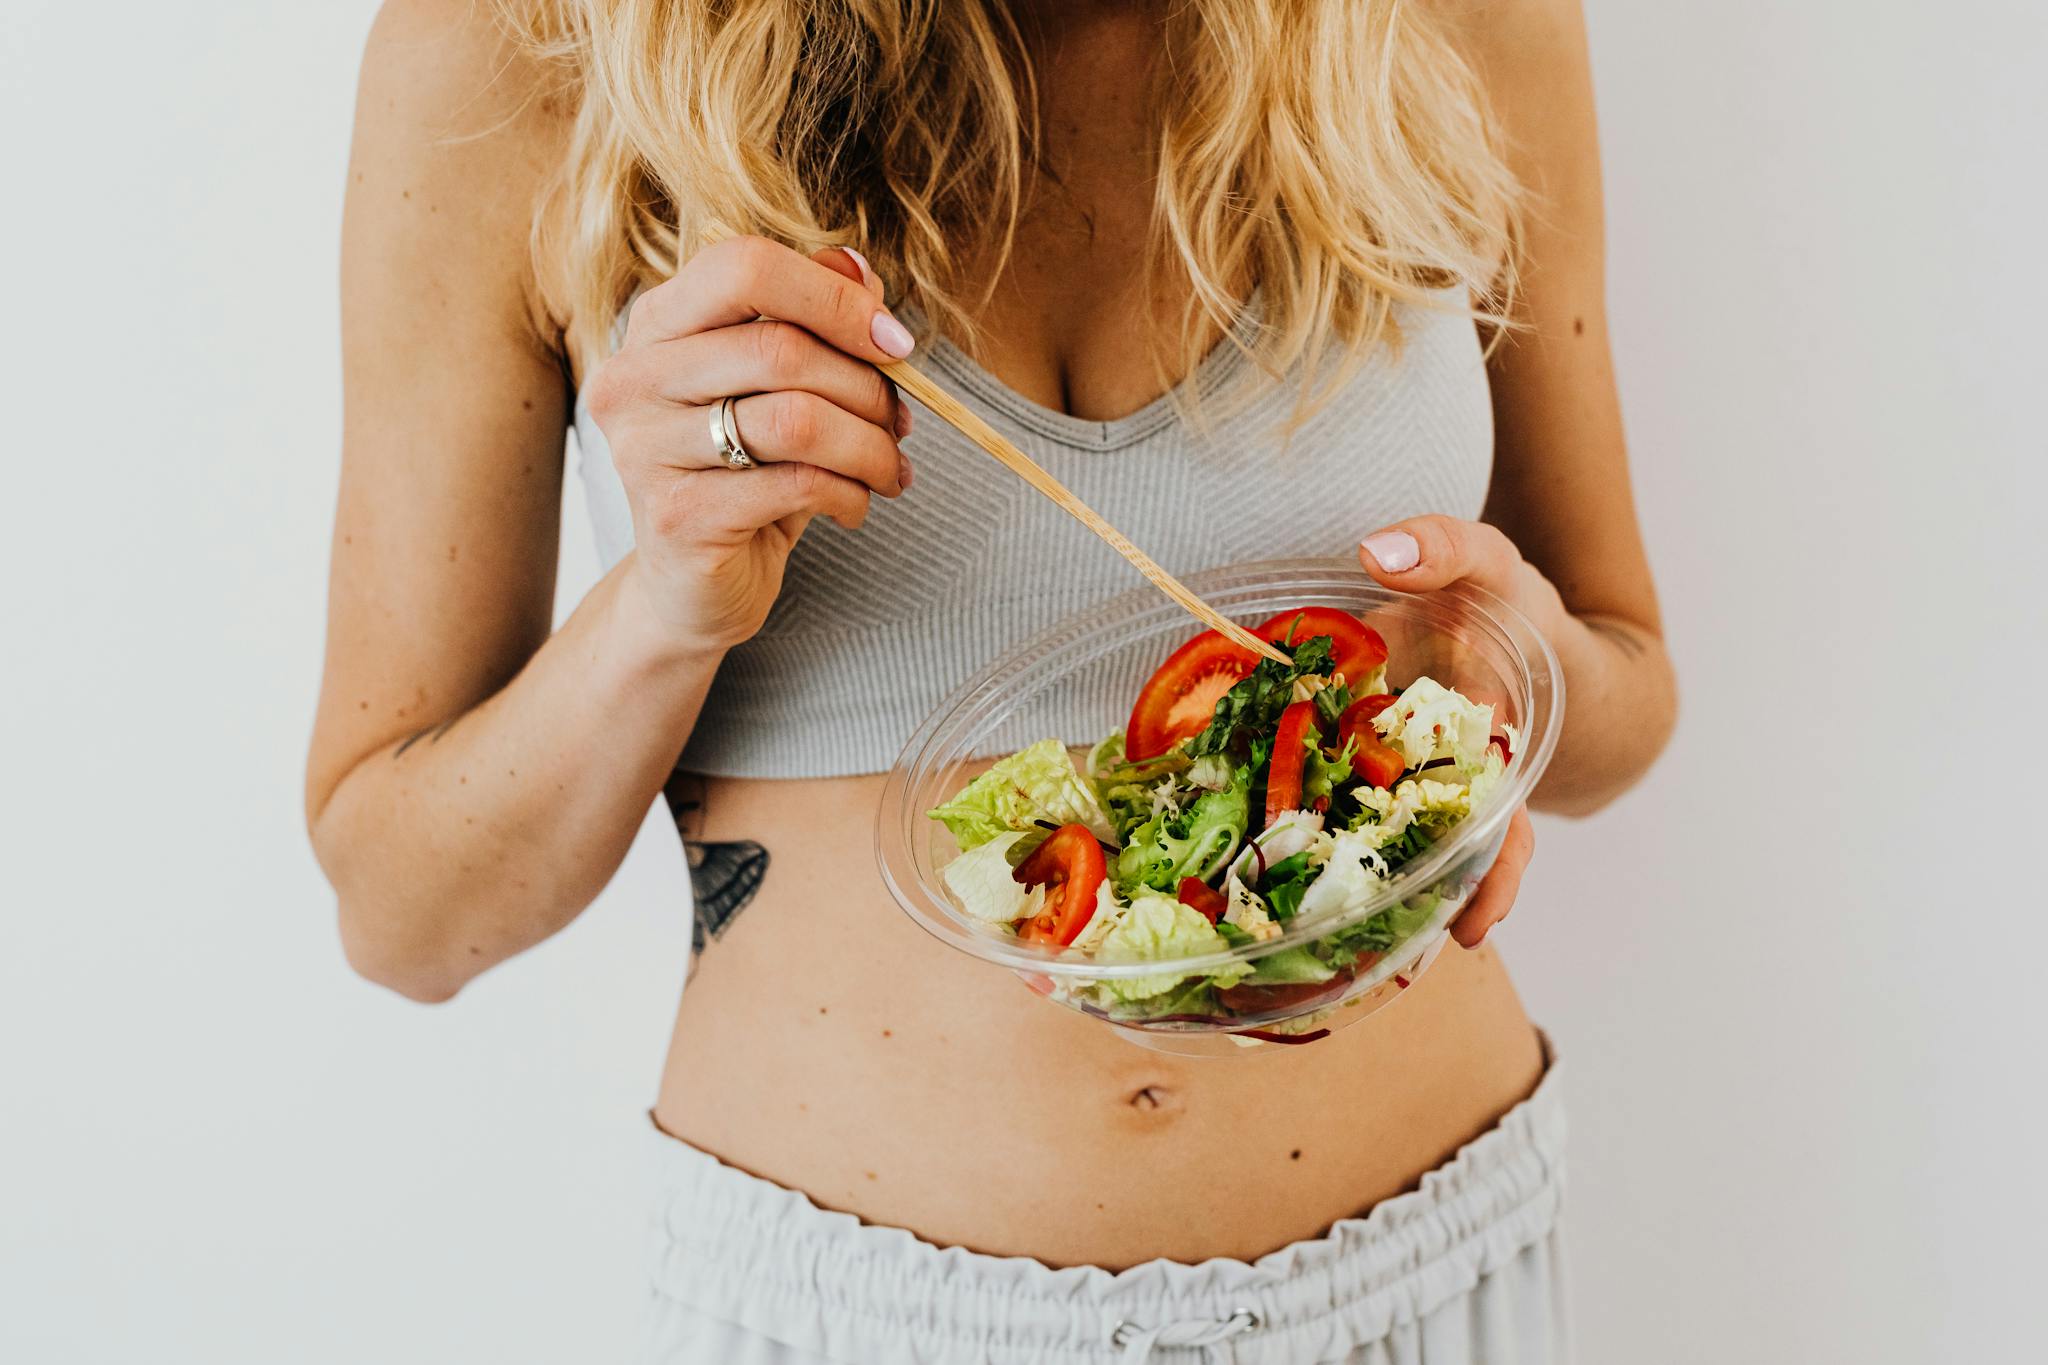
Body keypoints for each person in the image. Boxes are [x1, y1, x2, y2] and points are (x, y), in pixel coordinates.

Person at [308, 0, 1676, 1359]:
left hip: (1429, 1273)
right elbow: (407, 917)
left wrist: (1504, 677)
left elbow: (1618, 700)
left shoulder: (1455, 21)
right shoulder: (514, 58)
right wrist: (662, 609)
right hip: (851, 1319)